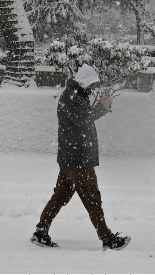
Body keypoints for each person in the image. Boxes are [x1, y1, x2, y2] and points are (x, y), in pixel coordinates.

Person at [32, 63, 130, 251]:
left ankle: (40, 232)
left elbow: (83, 118)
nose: (93, 88)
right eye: (92, 84)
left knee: (60, 196)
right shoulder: (71, 97)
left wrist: (100, 105)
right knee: (92, 198)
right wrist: (102, 107)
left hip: (72, 157)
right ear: (85, 82)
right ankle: (108, 239)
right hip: (78, 159)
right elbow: (83, 119)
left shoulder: (77, 95)